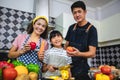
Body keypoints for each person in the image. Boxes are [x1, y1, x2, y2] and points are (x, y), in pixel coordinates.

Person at [64, 1, 98, 80]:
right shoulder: (71, 28)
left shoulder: (92, 30)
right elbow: (66, 46)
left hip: (82, 70)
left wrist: (78, 54)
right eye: (74, 13)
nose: (77, 15)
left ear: (85, 12)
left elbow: (92, 53)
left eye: (79, 11)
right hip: (69, 68)